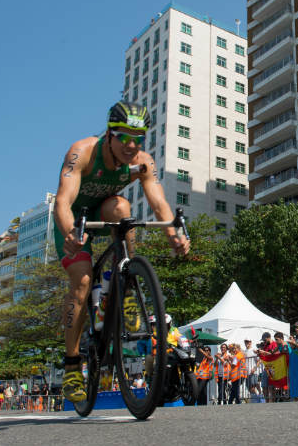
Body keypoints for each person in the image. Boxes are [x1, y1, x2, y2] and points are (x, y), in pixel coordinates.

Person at [53, 101, 190, 402]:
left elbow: (158, 202)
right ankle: (72, 365)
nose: (131, 145)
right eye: (124, 137)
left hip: (103, 212)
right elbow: (62, 202)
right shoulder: (83, 152)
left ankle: (125, 284)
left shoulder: (142, 162)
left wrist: (175, 233)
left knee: (123, 208)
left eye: (138, 138)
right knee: (83, 282)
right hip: (73, 222)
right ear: (109, 133)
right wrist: (71, 234)